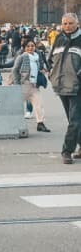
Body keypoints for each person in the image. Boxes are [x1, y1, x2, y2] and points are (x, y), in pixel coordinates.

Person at [48, 12, 81, 163]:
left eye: (70, 23)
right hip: (61, 86)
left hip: (77, 87)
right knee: (73, 120)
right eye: (65, 23)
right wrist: (51, 74)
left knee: (75, 121)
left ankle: (67, 151)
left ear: (77, 24)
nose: (67, 26)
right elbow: (50, 60)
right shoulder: (59, 39)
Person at [11, 40, 51, 132]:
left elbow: (39, 68)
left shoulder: (36, 57)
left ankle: (40, 124)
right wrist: (17, 84)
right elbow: (15, 70)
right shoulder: (22, 57)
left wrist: (42, 71)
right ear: (24, 48)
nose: (30, 48)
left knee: (39, 104)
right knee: (16, 105)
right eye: (28, 46)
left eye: (32, 46)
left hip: (34, 85)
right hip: (24, 85)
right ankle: (11, 123)